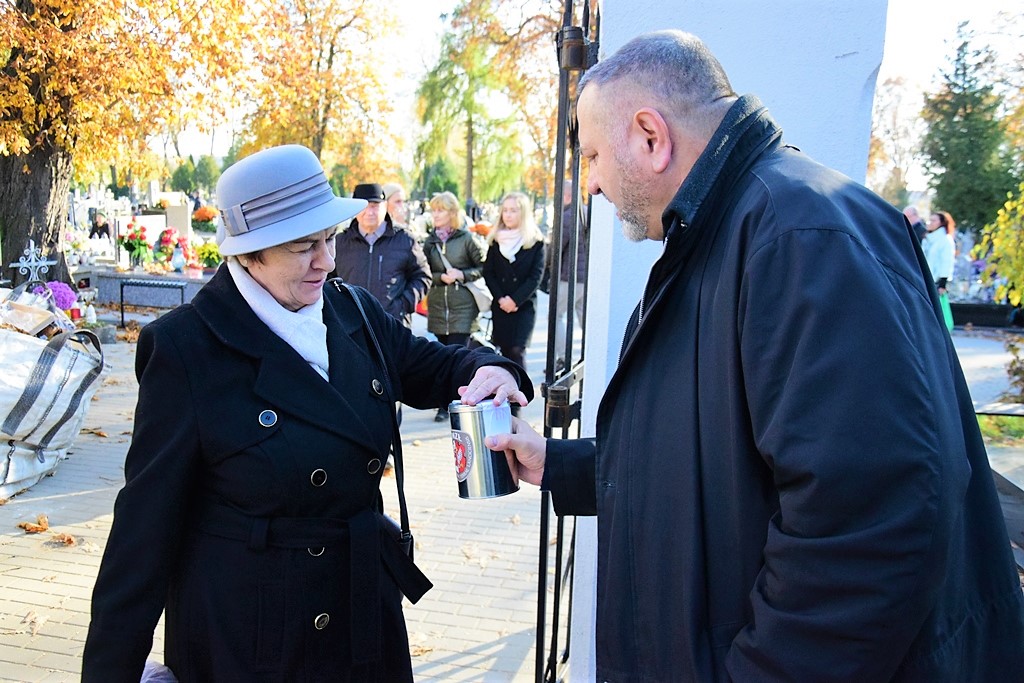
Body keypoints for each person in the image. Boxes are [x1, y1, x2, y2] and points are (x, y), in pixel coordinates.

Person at [487, 30, 1024, 681]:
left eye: (593, 155)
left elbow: (870, 527)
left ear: (651, 137)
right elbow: (707, 456)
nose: (592, 185)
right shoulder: (725, 236)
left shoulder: (800, 237)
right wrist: (561, 465)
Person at [82, 144, 532, 682]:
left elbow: (439, 366)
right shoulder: (186, 349)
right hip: (252, 639)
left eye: (327, 239)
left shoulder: (353, 311)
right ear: (249, 255)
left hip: (361, 615)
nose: (326, 260)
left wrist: (498, 371)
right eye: (302, 247)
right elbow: (142, 536)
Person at [422, 191, 487, 422]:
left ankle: (454, 403)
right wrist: (441, 278)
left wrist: (462, 274)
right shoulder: (429, 242)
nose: (436, 214)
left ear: (452, 213)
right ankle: (444, 402)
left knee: (457, 356)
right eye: (434, 210)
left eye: (440, 210)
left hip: (463, 306)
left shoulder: (466, 239)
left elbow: (483, 266)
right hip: (439, 305)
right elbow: (425, 272)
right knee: (441, 356)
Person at [331, 182, 430, 328]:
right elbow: (327, 279)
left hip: (393, 326)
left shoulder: (405, 240)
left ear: (384, 207)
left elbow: (422, 276)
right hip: (351, 328)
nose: (370, 212)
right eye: (363, 206)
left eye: (374, 206)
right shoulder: (340, 242)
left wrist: (402, 305)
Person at [482, 192, 546, 408]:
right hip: (500, 305)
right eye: (505, 210)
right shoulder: (495, 239)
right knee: (502, 349)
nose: (508, 215)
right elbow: (488, 272)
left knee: (517, 350)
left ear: (523, 212)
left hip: (523, 306)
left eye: (513, 210)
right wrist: (501, 298)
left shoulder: (535, 242)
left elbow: (535, 277)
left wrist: (515, 300)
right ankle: (501, 395)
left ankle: (520, 396)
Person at [550, 180, 588, 371]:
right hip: (585, 278)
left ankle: (564, 358)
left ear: (565, 196)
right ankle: (589, 352)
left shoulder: (567, 216)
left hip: (569, 277)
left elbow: (556, 249)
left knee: (556, 315)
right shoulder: (587, 212)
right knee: (584, 318)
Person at [923, 210, 956, 294]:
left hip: (936, 283)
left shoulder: (945, 240)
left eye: (933, 220)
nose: (930, 223)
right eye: (929, 220)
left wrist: (942, 284)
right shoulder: (927, 240)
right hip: (924, 281)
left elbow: (947, 262)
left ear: (942, 223)